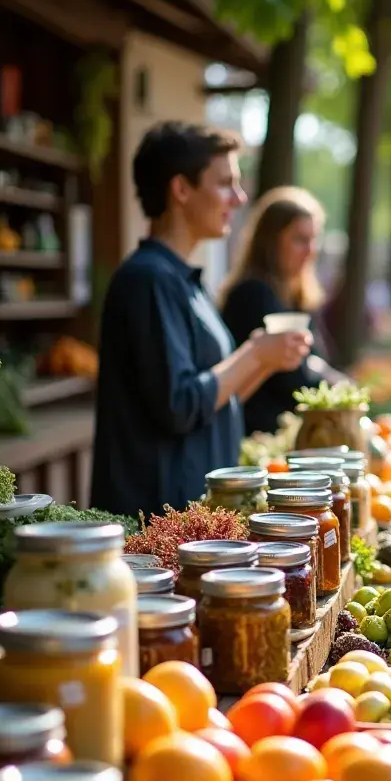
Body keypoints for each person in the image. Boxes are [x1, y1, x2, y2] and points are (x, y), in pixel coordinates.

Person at [91, 122, 312, 519]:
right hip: (156, 520)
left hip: (191, 512)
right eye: (226, 183)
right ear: (181, 190)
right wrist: (254, 353)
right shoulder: (149, 280)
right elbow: (179, 405)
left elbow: (212, 403)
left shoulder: (185, 281)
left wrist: (265, 362)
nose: (240, 197)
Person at [220, 187, 344, 435]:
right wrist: (340, 384)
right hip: (256, 437)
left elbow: (316, 360)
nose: (310, 250)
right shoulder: (253, 294)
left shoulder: (296, 297)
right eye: (299, 239)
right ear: (270, 242)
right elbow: (294, 378)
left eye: (313, 238)